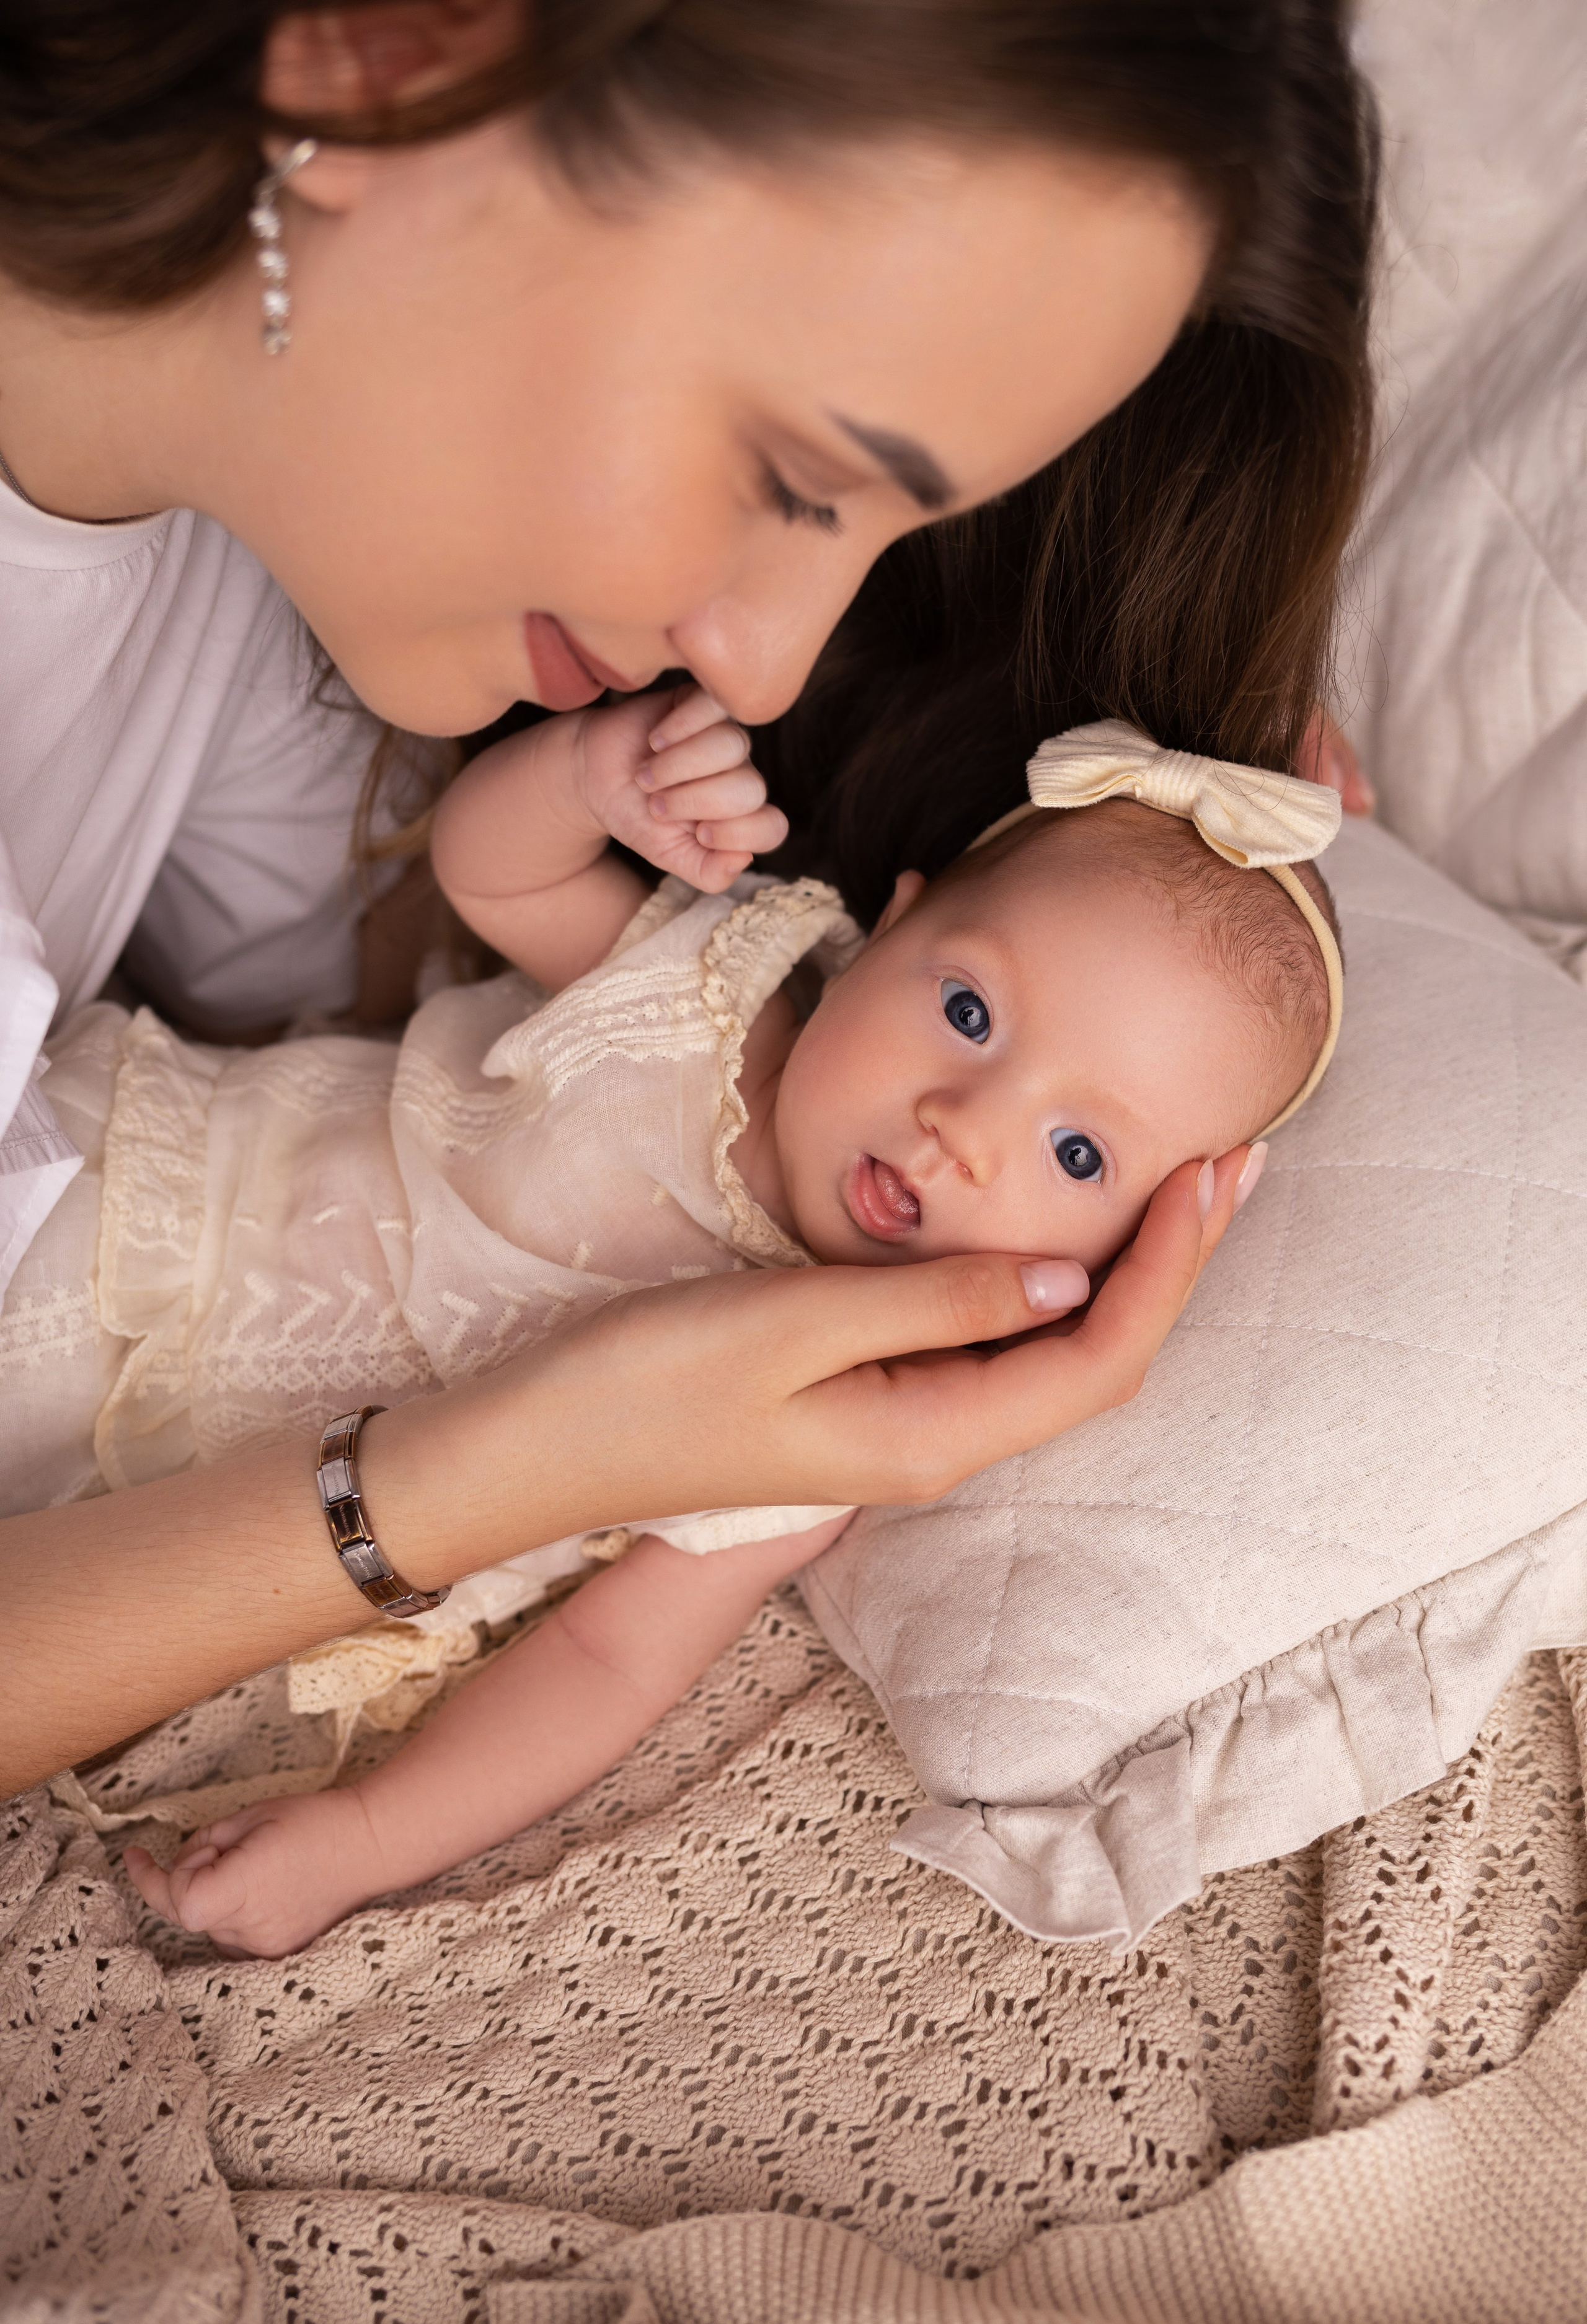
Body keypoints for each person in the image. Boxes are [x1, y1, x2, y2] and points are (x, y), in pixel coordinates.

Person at [0, 1, 1377, 1796]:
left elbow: (366, 994)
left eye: (881, 533)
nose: (760, 658)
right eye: (793, 481)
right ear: (394, 49)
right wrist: (520, 1466)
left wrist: (1159, 857)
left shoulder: (232, 540)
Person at [104, 702, 1341, 1955]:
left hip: (166, 1517)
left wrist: (362, 1839)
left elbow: (606, 1662)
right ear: (888, 930)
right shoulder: (706, 998)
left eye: (1076, 1153)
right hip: (148, 1194)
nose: (961, 1126)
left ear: (1129, 1254)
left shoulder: (827, 1427)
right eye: (969, 1013)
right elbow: (493, 875)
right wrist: (588, 778)